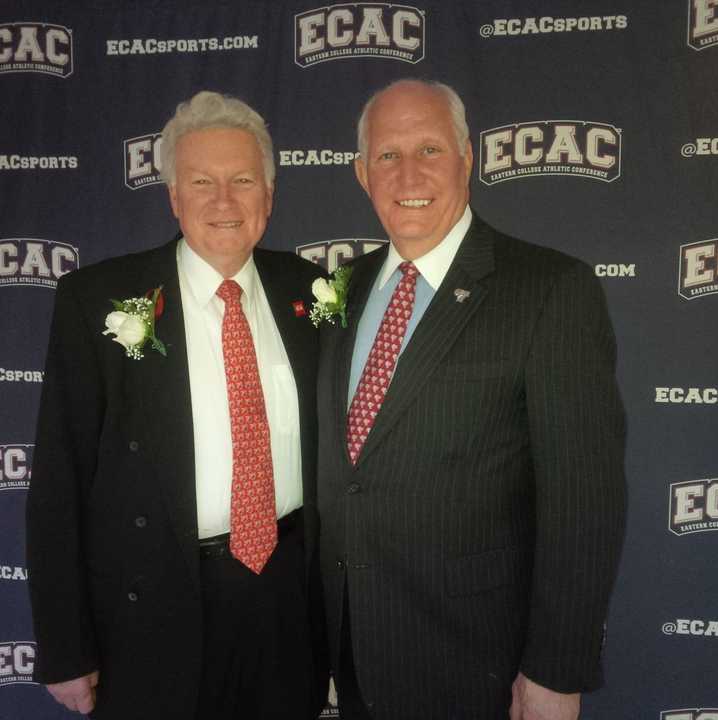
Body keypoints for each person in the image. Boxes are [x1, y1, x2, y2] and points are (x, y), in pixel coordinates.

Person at [316, 79, 626, 720]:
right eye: (386, 155)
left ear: (468, 157)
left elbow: (585, 501)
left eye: (429, 149)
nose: (408, 173)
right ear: (360, 172)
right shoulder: (342, 290)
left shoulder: (549, 290)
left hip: (479, 663)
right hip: (351, 655)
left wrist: (555, 670)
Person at [26, 91, 326, 720]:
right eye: (202, 181)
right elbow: (59, 482)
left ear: (268, 196)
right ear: (173, 197)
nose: (224, 200)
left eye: (243, 180)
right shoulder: (101, 301)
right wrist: (64, 647)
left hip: (286, 602)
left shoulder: (312, 291)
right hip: (152, 610)